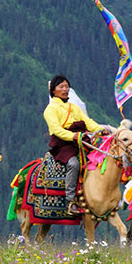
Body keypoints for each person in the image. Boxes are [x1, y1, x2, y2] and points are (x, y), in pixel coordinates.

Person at [43, 75, 109, 214]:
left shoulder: (74, 108)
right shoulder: (51, 109)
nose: (65, 89)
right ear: (53, 91)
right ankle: (70, 201)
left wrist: (100, 130)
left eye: (67, 86)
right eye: (61, 87)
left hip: (80, 141)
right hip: (63, 144)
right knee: (74, 164)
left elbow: (87, 122)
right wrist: (73, 135)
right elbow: (56, 130)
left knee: (98, 161)